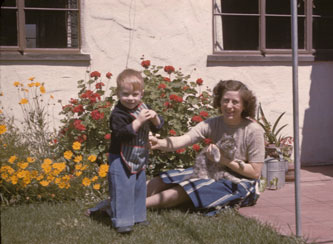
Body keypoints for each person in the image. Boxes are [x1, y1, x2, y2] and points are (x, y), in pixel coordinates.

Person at [147, 79, 265, 213]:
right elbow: (184, 139)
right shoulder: (213, 123)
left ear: (244, 105)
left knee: (188, 188)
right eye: (225, 100)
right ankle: (123, 199)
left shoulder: (253, 130)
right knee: (164, 180)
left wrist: (224, 161)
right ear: (219, 101)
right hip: (215, 171)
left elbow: (255, 172)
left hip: (241, 181)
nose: (229, 106)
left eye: (235, 102)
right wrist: (160, 143)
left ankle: (137, 206)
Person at [88, 68, 164, 233]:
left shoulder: (143, 107)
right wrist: (138, 121)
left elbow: (159, 124)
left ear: (141, 93)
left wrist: (156, 118)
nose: (130, 99)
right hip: (120, 157)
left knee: (138, 188)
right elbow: (122, 134)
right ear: (118, 93)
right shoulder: (118, 113)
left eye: (135, 94)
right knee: (122, 188)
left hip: (139, 156)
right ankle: (122, 221)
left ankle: (138, 217)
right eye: (126, 94)